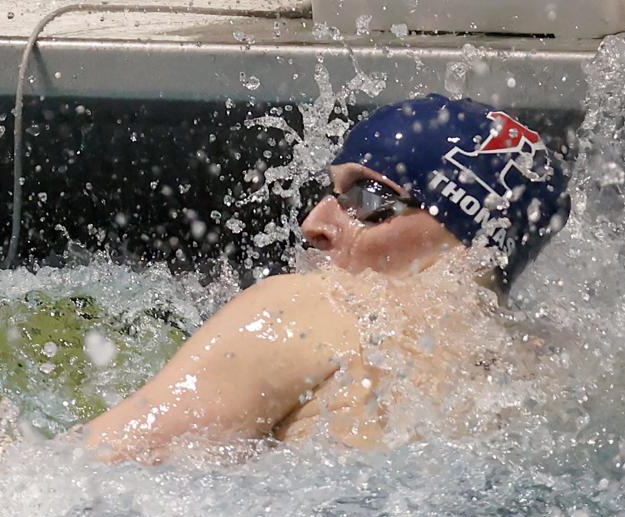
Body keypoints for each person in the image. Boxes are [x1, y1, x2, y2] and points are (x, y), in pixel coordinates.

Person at [81, 94, 570, 463]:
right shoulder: (550, 368)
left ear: (465, 236)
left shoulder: (309, 311)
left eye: (369, 198)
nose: (313, 223)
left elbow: (85, 470)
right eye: (330, 192)